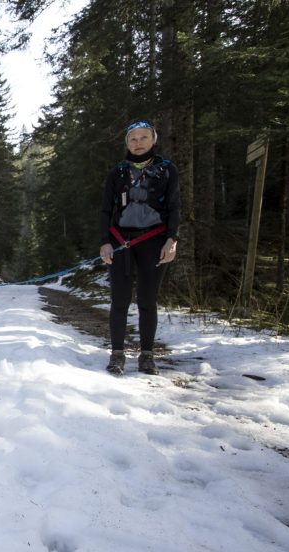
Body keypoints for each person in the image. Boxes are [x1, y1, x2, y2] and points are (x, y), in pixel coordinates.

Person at [99, 120, 180, 375]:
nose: (138, 143)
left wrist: (172, 239)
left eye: (143, 137)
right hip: (120, 242)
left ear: (153, 140)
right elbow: (105, 210)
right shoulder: (117, 172)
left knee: (147, 300)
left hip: (155, 241)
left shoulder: (167, 169)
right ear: (127, 143)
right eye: (133, 139)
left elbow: (175, 207)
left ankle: (147, 355)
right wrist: (104, 242)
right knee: (119, 300)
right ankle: (117, 354)